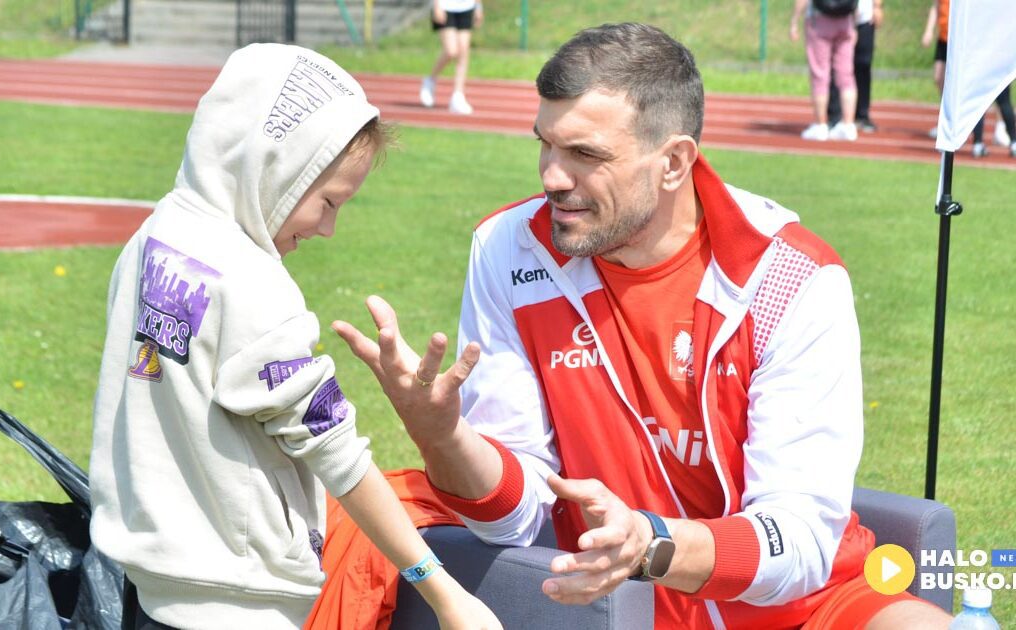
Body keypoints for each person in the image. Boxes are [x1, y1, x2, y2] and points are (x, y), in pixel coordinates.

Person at [334, 23, 953, 629]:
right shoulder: (510, 249)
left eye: (585, 154)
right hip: (622, 607)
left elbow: (802, 540)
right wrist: (442, 436)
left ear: (675, 162)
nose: (551, 175)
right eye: (545, 144)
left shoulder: (789, 277)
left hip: (813, 607)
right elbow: (515, 517)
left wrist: (651, 543)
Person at [88, 43, 500, 630]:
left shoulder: (153, 237)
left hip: (151, 586)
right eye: (328, 201)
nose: (329, 228)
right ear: (272, 164)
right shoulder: (254, 287)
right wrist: (444, 595)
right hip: (240, 601)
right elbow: (339, 456)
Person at [922, 0, 1016, 158]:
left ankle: (1013, 140)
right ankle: (978, 142)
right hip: (972, 51)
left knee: (1003, 99)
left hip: (993, 54)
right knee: (976, 98)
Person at [791, 0, 859, 141]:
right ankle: (848, 124)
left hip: (820, 21)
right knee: (846, 74)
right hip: (845, 22)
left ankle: (820, 125)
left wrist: (794, 20)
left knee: (820, 74)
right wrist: (855, 24)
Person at [827, 0, 884, 133]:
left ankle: (861, 115)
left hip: (864, 19)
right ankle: (835, 115)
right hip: (839, 16)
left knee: (863, 65)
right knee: (836, 66)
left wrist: (877, 6)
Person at [419, 0, 483, 115]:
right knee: (451, 51)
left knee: (463, 50)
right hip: (445, 6)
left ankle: (458, 95)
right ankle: (430, 80)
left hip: (467, 6)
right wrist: (437, 5)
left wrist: (478, 7)